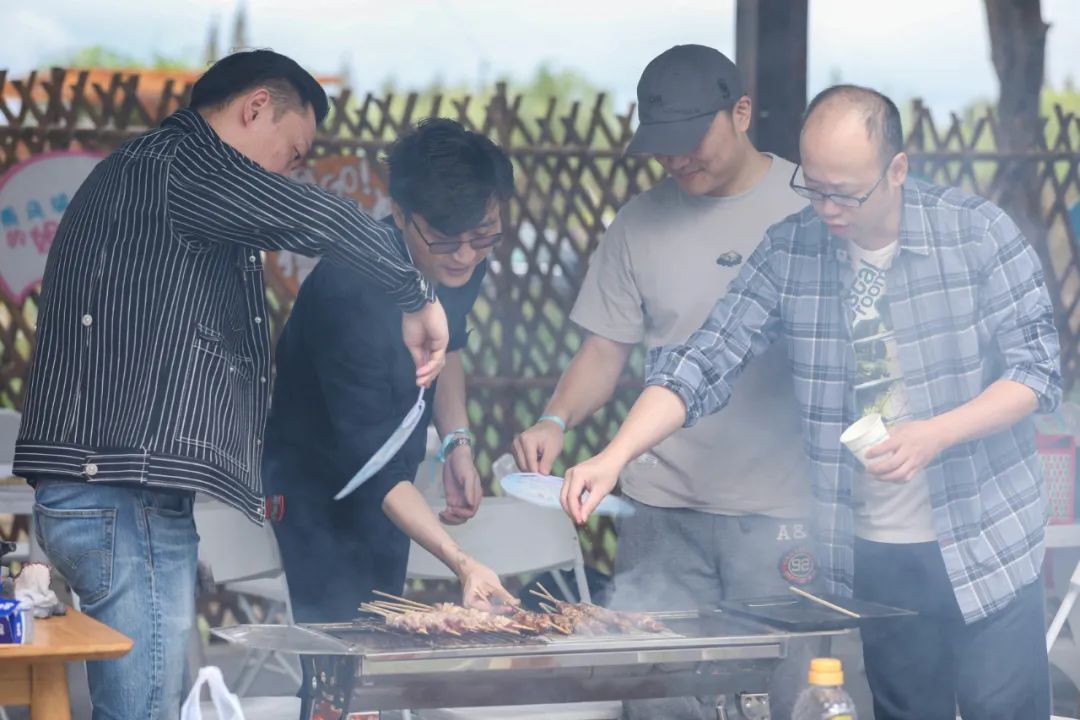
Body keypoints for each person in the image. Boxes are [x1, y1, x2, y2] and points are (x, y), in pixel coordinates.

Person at [562, 85, 1059, 720]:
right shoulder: (791, 248)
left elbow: (1036, 370)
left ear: (897, 170)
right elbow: (703, 360)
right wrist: (613, 457)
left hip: (986, 537)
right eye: (814, 188)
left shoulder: (977, 233)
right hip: (874, 550)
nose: (826, 209)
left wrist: (935, 433)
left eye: (844, 194)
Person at [14, 50, 450, 720]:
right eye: (294, 152)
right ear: (255, 108)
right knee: (143, 713)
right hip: (121, 494)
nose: (289, 172)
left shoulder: (155, 172)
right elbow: (320, 219)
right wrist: (415, 295)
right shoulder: (186, 163)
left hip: (117, 491)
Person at [512, 45, 813, 719]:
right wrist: (555, 419)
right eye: (662, 147)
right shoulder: (638, 223)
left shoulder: (810, 206)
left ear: (741, 113)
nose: (676, 160)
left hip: (780, 512)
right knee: (658, 699)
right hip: (661, 513)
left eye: (691, 140)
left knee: (784, 695)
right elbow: (603, 349)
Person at [264, 118, 516, 620]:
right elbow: (371, 466)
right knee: (341, 643)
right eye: (445, 237)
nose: (466, 255)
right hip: (317, 483)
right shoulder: (347, 290)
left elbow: (450, 348)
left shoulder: (461, 260)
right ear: (400, 214)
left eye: (483, 234)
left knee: (384, 625)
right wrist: (462, 563)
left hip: (392, 472)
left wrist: (457, 444)